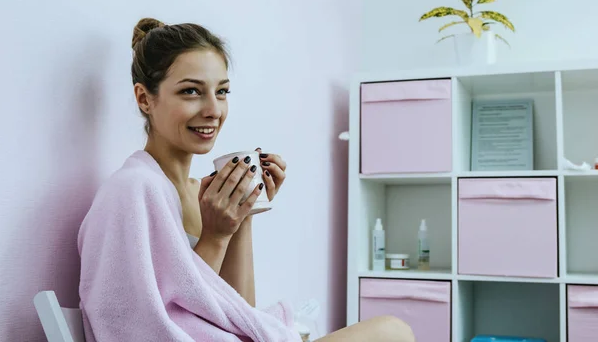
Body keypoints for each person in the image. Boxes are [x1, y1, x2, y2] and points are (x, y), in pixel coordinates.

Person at [77, 18, 415, 342]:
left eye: (221, 92)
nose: (213, 110)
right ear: (144, 98)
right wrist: (215, 235)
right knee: (391, 332)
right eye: (191, 91)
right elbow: (155, 325)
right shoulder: (132, 189)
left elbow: (238, 314)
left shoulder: (201, 193)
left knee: (393, 331)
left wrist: (244, 213)